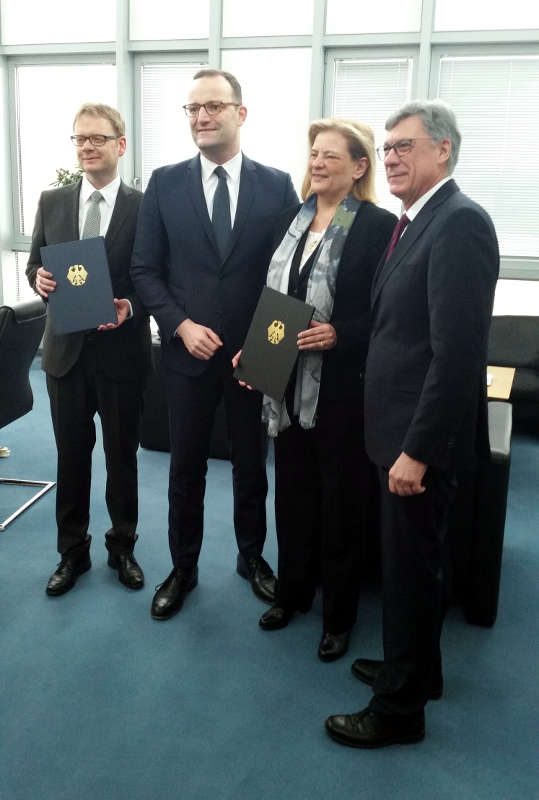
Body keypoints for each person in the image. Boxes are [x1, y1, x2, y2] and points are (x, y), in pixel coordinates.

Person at [325, 100, 499, 747]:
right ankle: (416, 672)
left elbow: (456, 358)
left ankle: (398, 712)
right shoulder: (413, 221)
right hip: (392, 430)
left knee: (409, 572)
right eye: (388, 148)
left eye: (405, 146)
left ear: (442, 151)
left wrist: (416, 451)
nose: (391, 157)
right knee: (409, 567)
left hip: (414, 445)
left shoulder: (458, 224)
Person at [130, 69, 298, 621]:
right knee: (186, 470)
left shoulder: (276, 185)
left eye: (214, 106)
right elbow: (145, 269)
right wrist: (180, 325)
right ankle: (183, 566)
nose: (202, 116)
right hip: (186, 356)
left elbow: (287, 276)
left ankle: (252, 558)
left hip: (255, 359)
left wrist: (265, 346)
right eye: (193, 108)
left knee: (253, 466)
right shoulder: (164, 182)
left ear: (240, 114)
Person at [247, 119, 396, 661]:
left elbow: (385, 313)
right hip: (283, 385)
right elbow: (272, 298)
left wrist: (340, 333)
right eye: (314, 153)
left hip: (342, 390)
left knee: (340, 506)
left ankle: (338, 616)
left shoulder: (379, 227)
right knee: (292, 496)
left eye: (331, 155)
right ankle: (291, 593)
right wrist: (254, 346)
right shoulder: (290, 220)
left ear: (359, 168)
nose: (318, 163)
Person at [27, 103, 151, 597]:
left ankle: (122, 546)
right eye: (79, 139)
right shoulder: (52, 200)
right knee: (70, 457)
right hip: (65, 354)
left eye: (97, 139)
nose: (86, 147)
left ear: (120, 145)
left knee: (123, 456)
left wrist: (133, 306)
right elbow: (38, 264)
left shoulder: (144, 207)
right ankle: (71, 552)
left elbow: (154, 276)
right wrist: (38, 279)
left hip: (122, 354)